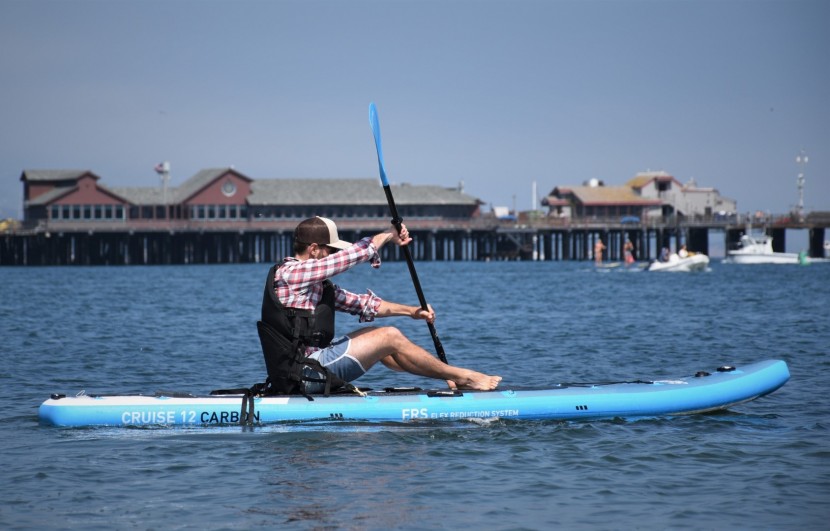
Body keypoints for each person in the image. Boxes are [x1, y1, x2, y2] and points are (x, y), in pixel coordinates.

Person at [260, 216, 502, 394]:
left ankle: (451, 378)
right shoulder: (290, 273)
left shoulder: (317, 286)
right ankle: (464, 376)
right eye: (330, 250)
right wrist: (388, 234)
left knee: (382, 339)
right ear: (313, 249)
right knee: (389, 336)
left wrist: (411, 312)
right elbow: (350, 257)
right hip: (304, 373)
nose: (333, 255)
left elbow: (364, 305)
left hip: (312, 366)